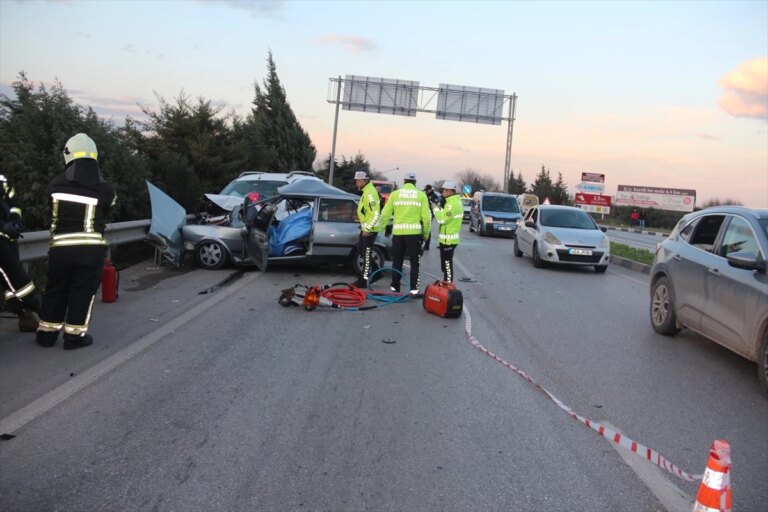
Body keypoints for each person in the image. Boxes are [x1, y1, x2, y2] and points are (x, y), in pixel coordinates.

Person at [36, 133, 116, 350]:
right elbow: (109, 207)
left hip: (60, 249)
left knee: (55, 289)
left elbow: (49, 204)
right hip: (90, 251)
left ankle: (46, 334)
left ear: (68, 155)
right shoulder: (104, 188)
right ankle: (74, 337)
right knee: (82, 291)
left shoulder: (56, 184)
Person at [377, 171, 431, 296]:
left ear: (404, 181)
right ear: (415, 182)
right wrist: (426, 234)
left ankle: (395, 288)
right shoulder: (421, 195)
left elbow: (385, 214)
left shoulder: (395, 194)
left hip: (398, 234)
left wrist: (383, 228)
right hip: (414, 234)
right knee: (414, 262)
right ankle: (414, 290)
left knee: (397, 261)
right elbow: (426, 218)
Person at [1, 171, 42, 331]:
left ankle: (25, 316)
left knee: (9, 283)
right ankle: (43, 313)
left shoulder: (2, 178)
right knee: (19, 279)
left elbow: (13, 203)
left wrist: (14, 221)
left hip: (9, 238)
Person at [353, 171, 381, 288]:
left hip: (370, 229)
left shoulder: (370, 193)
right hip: (366, 227)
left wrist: (368, 228)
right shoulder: (367, 191)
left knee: (366, 253)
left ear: (363, 181)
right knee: (362, 251)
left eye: (357, 181)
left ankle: (363, 280)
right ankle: (377, 272)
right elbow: (367, 211)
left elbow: (375, 213)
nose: (356, 183)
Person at [431, 181, 463, 282]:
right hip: (447, 239)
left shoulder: (452, 204)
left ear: (449, 191)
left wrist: (435, 209)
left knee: (447, 264)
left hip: (448, 240)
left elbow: (442, 220)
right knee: (445, 264)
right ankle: (447, 282)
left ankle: (448, 284)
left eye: (443, 191)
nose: (442, 193)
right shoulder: (452, 201)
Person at [422, 184, 439, 251]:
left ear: (430, 189)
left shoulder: (434, 196)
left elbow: (434, 206)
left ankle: (427, 245)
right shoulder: (425, 195)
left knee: (427, 229)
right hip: (422, 214)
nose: (426, 191)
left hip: (429, 214)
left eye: (427, 190)